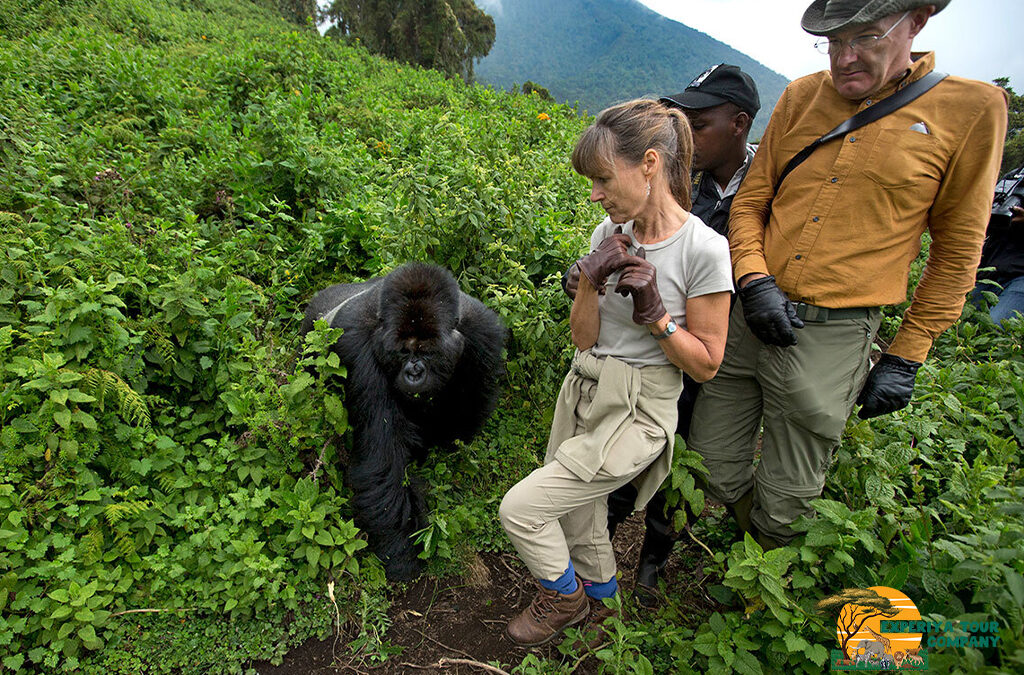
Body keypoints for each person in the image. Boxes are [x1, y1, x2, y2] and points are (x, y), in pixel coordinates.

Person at [687, 0, 1008, 550]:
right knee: (710, 460)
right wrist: (755, 277)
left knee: (790, 488)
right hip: (749, 310)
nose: (844, 58)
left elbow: (957, 251)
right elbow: (752, 201)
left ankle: (764, 577)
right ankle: (748, 534)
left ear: (917, 21)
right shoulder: (803, 95)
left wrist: (907, 355)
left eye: (863, 38)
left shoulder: (973, 109)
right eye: (833, 42)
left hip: (833, 330)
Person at [499, 99, 733, 646]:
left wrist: (656, 314)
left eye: (604, 178)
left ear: (649, 163)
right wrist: (589, 280)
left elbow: (707, 364)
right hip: (585, 385)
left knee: (523, 509)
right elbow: (583, 337)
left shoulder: (704, 248)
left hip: (641, 407)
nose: (596, 194)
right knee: (581, 518)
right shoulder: (609, 230)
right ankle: (605, 614)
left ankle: (564, 597)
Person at [599, 64, 761, 605]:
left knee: (689, 452)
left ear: (739, 125)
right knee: (633, 447)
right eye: (682, 118)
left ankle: (653, 557)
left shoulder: (766, 187)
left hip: (716, 347)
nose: (685, 131)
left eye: (701, 120)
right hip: (661, 351)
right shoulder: (675, 183)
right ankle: (604, 536)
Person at [972, 166, 1024, 324]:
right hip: (991, 268)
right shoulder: (1016, 175)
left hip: (1020, 276)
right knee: (953, 321)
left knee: (995, 327)